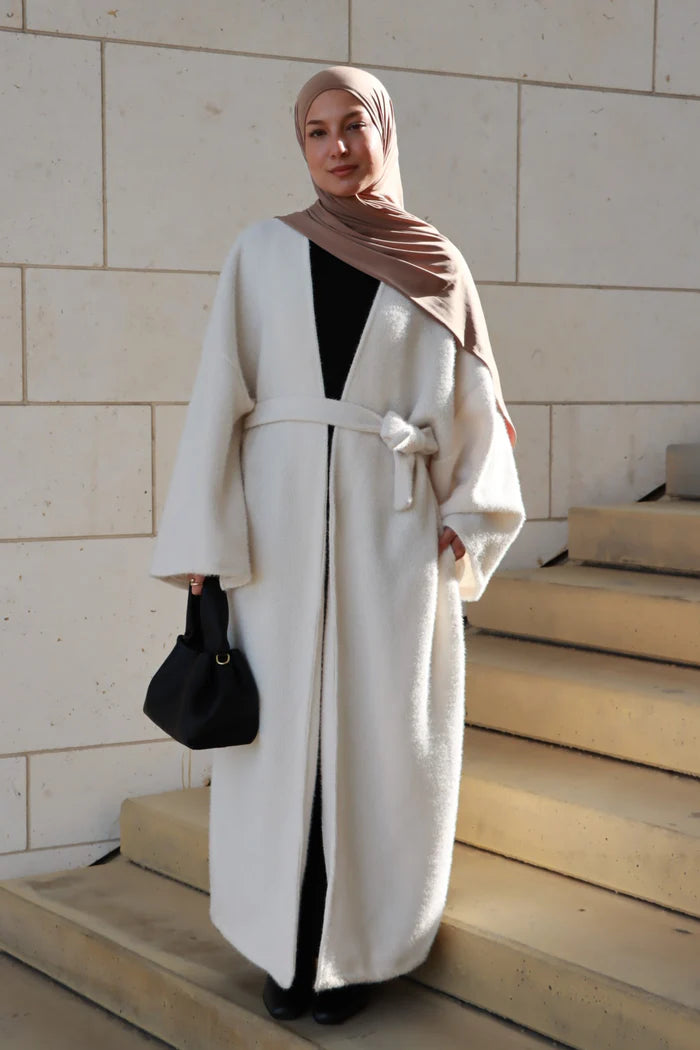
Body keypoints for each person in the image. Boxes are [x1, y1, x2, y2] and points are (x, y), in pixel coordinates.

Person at [150, 66, 525, 1026]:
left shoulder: (435, 263)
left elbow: (476, 407)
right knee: (280, 750)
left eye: (353, 125)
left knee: (376, 744)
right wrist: (203, 542)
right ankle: (285, 949)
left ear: (382, 134)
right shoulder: (261, 252)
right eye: (316, 131)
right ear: (301, 145)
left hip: (390, 540)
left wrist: (470, 514)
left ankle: (354, 954)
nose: (336, 147)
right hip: (274, 544)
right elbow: (217, 398)